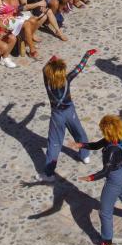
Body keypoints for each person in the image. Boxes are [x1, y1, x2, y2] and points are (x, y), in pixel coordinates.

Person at [71, 114, 122, 245]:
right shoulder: (115, 140)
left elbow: (105, 171)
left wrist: (91, 177)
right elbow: (97, 145)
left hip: (114, 179)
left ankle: (106, 244)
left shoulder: (111, 150)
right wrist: (82, 145)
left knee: (105, 212)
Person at [37, 50, 96, 182]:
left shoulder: (47, 82)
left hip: (57, 115)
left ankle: (49, 174)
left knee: (54, 143)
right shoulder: (67, 79)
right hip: (70, 112)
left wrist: (50, 60)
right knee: (79, 133)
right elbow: (79, 67)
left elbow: (44, 69)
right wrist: (87, 54)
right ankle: (85, 155)